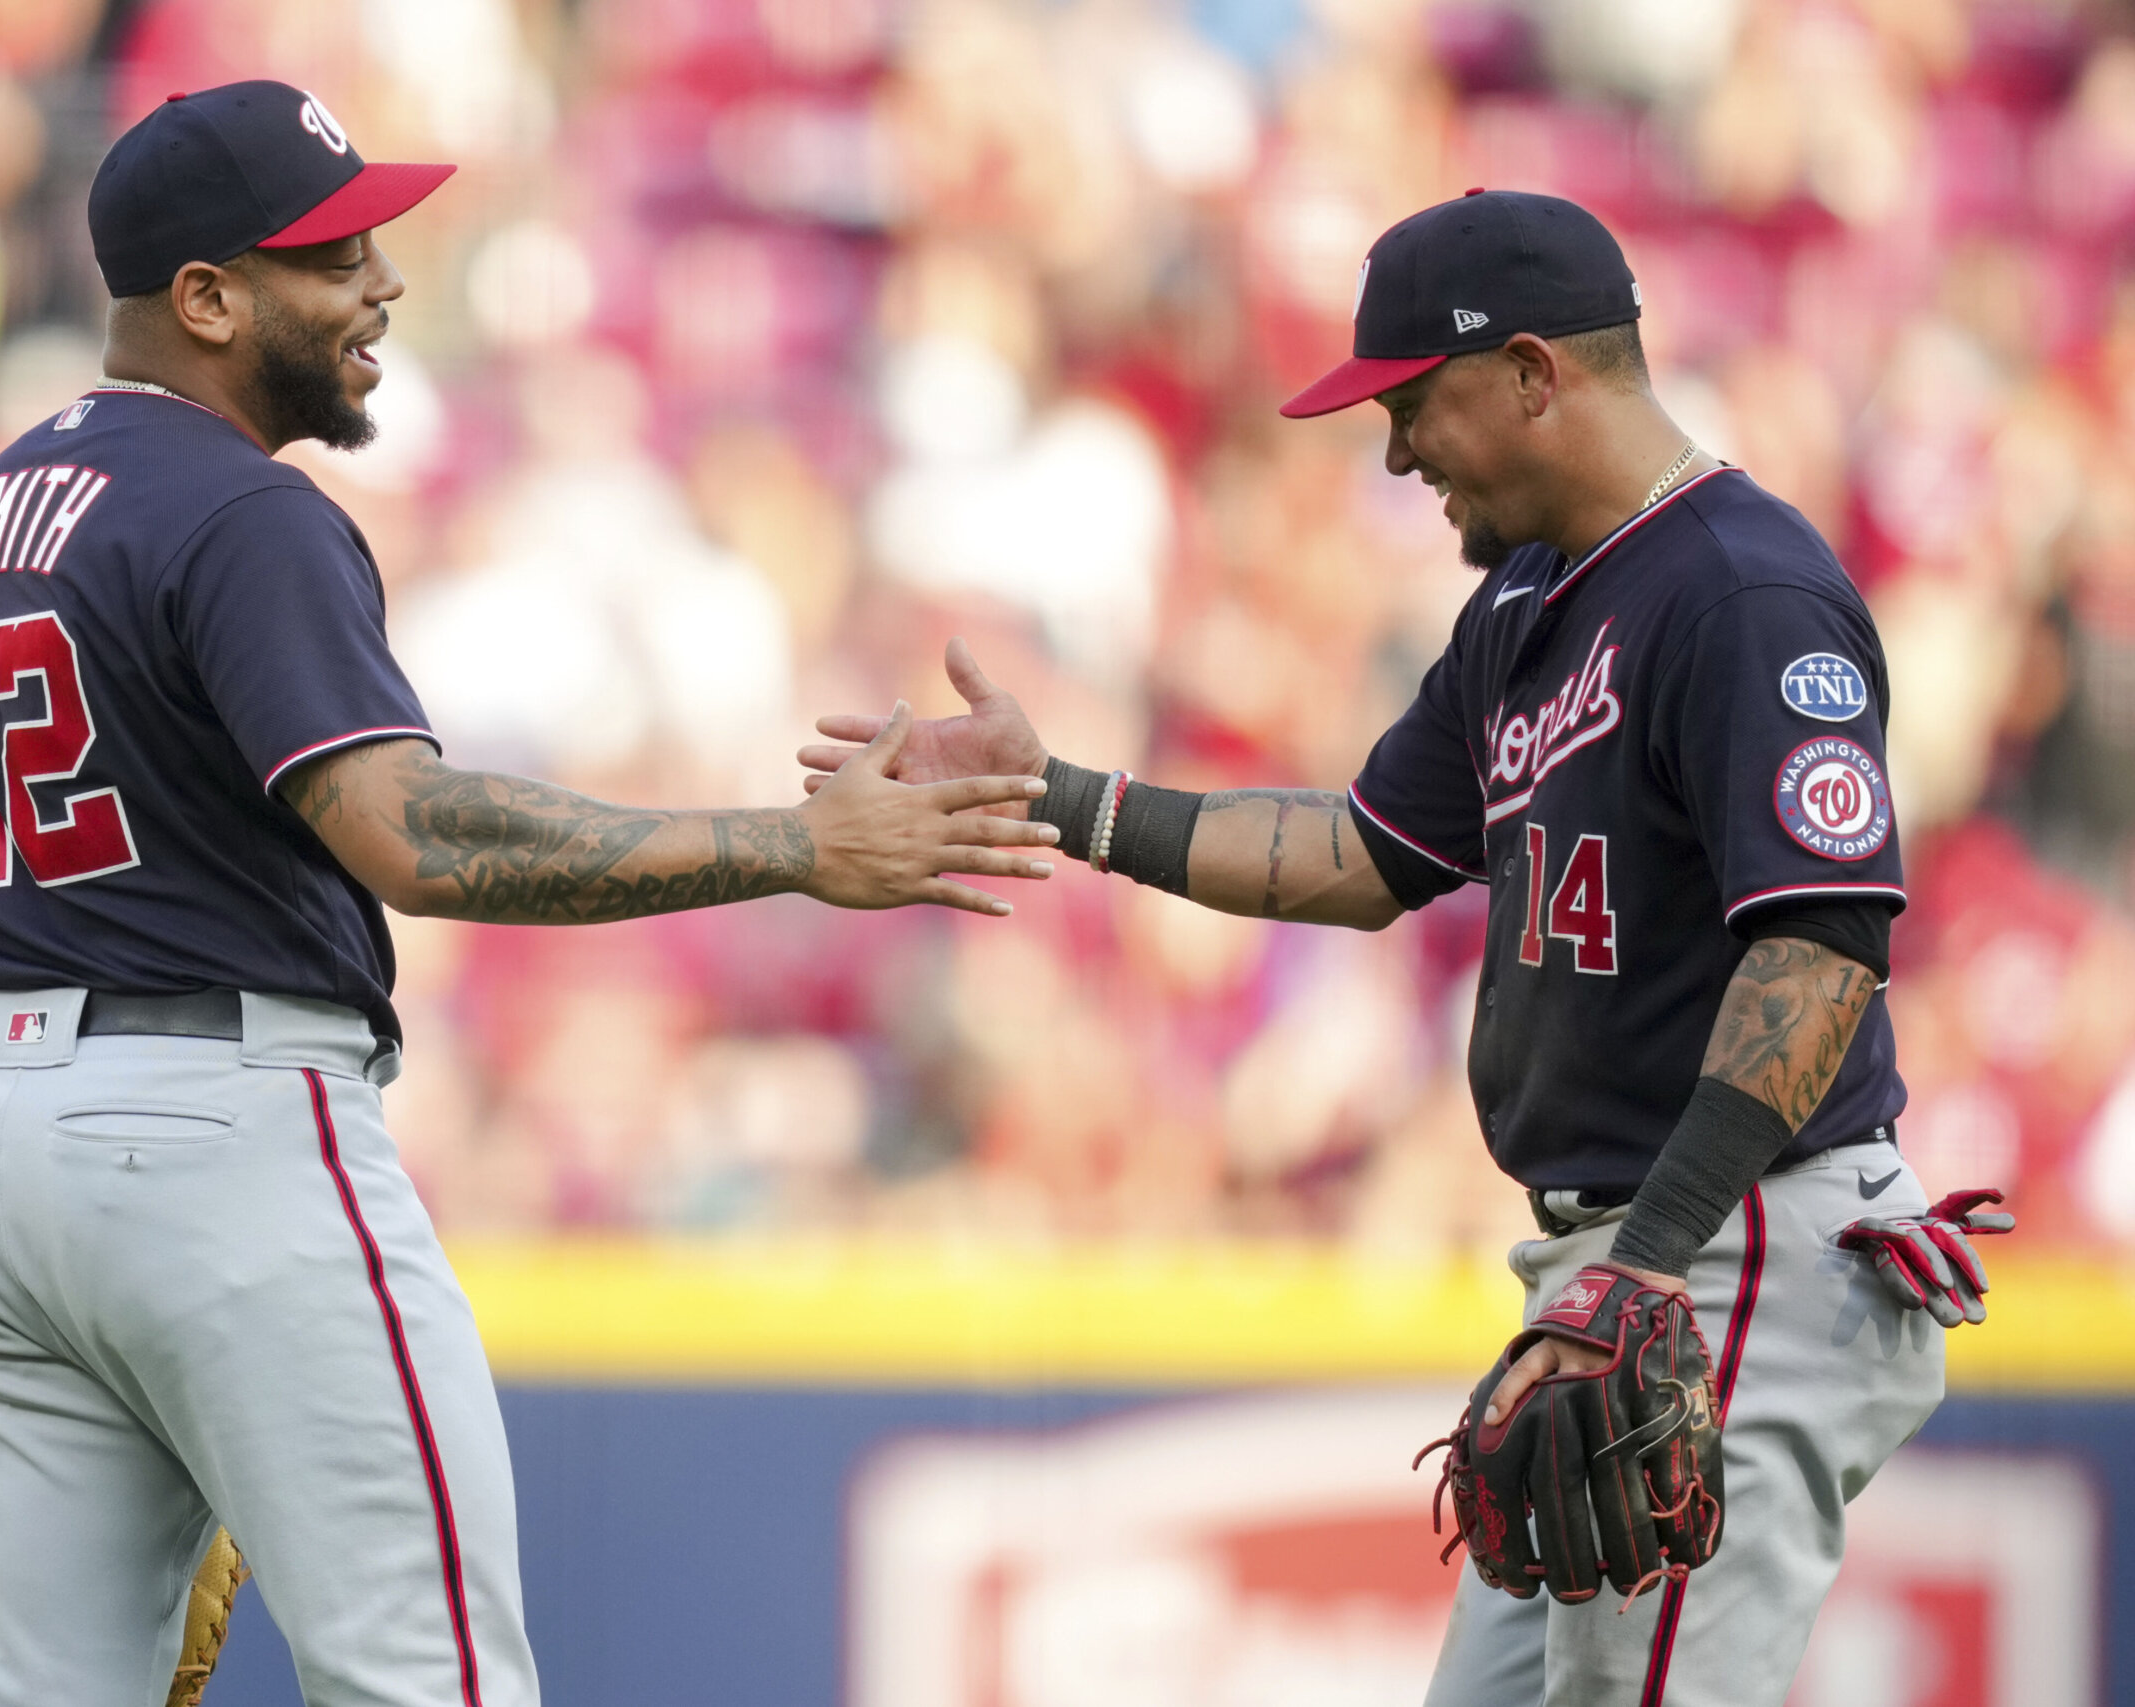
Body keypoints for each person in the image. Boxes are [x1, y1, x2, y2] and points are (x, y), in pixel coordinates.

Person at [0, 81, 1059, 1707]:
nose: (383, 284)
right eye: (331, 253)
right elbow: (409, 836)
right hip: (217, 1130)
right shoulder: (240, 507)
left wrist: (60, 1175)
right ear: (206, 301)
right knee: (425, 1683)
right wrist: (793, 848)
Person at [800, 190, 2006, 1705]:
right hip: (1631, 1254)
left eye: (1411, 403)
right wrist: (1062, 802)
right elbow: (1358, 857)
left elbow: (1822, 960)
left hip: (1734, 1238)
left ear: (1528, 372)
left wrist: (1641, 1265)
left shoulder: (1741, 593)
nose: (1393, 453)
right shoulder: (1525, 602)